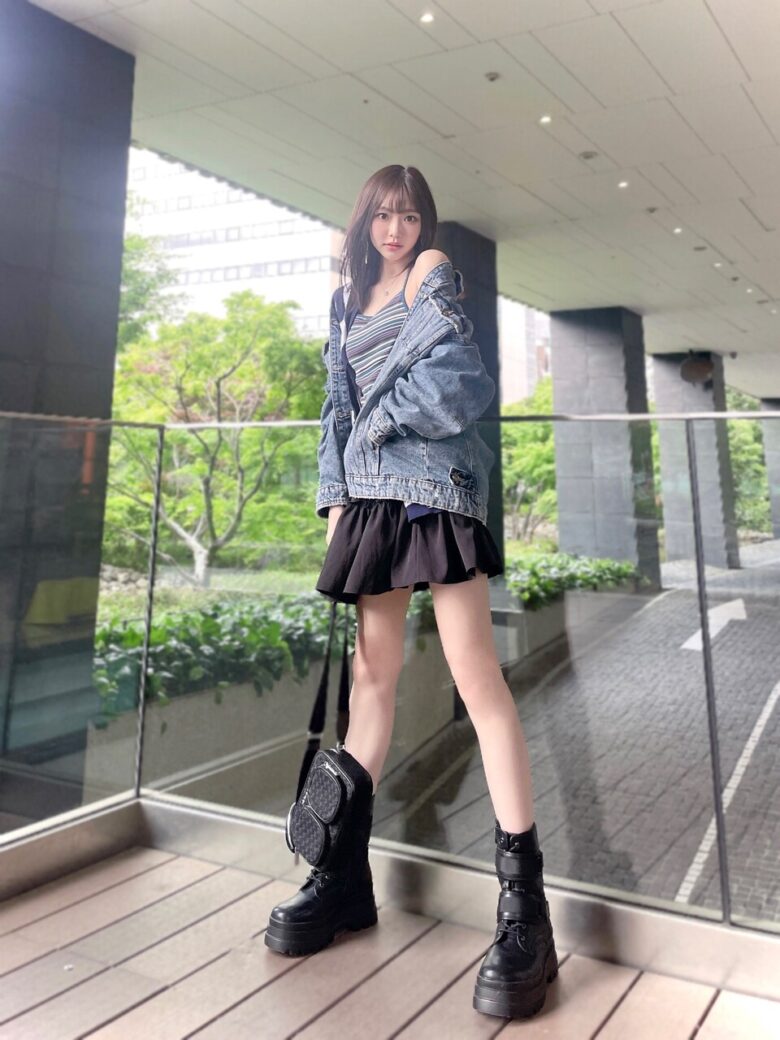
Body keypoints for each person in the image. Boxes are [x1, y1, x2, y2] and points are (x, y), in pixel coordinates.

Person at [265, 165, 558, 1020]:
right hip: (366, 503)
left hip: (432, 490)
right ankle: (343, 881)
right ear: (363, 222)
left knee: (478, 681)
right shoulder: (345, 300)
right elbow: (335, 410)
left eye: (409, 215)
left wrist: (378, 428)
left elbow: (459, 380)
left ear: (423, 224)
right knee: (370, 683)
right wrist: (335, 507)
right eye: (383, 216)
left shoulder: (431, 272)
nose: (396, 229)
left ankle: (526, 913)